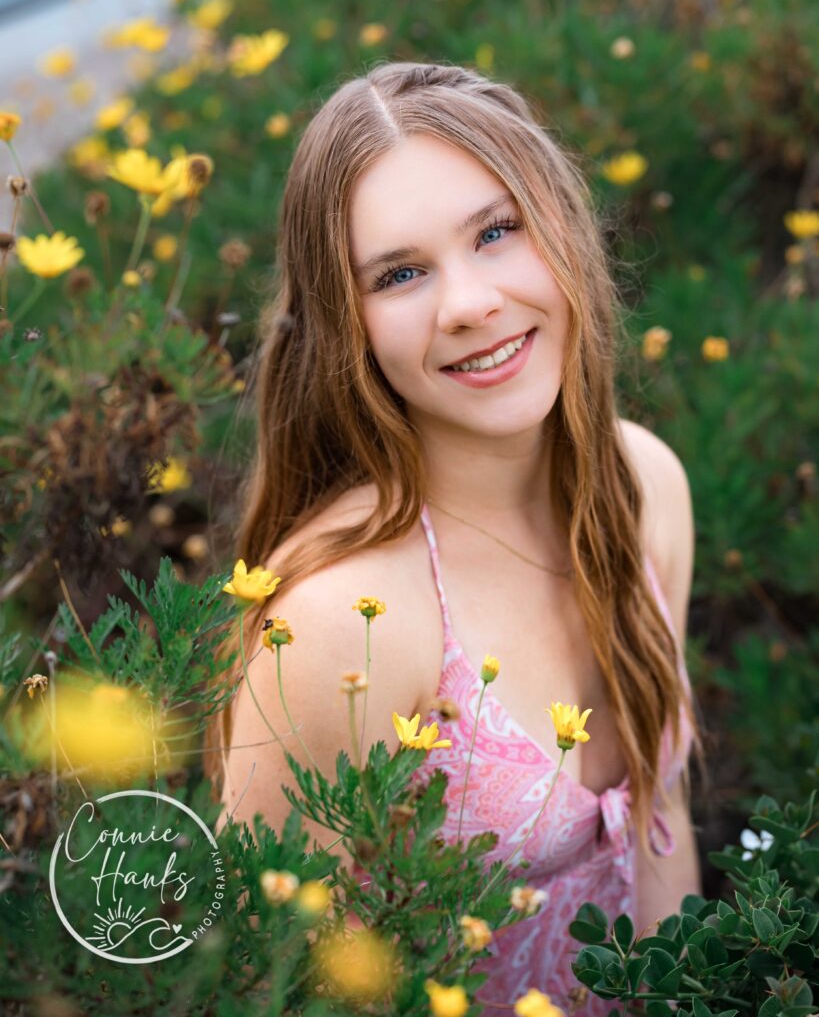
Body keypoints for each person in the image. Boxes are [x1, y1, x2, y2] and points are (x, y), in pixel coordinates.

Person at [206, 61, 703, 1013]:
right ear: (346, 329)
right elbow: (258, 978)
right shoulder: (342, 620)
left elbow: (660, 819)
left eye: (495, 231)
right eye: (398, 274)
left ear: (561, 227)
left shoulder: (645, 486)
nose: (468, 301)